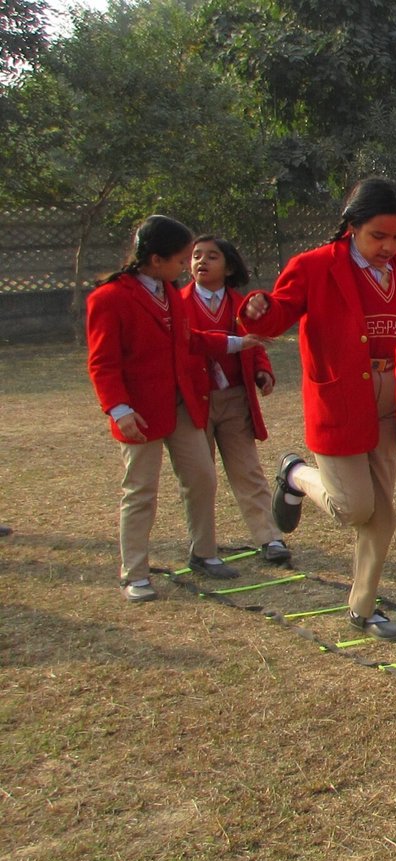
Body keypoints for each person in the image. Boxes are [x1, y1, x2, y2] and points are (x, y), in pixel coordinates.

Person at [240, 178, 396, 640]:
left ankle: (362, 609)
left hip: (390, 401)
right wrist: (259, 309)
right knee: (354, 508)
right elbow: (277, 316)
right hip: (340, 401)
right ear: (352, 226)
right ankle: (295, 474)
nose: (389, 247)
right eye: (378, 235)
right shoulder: (314, 266)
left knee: (383, 517)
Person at [85, 214, 248, 603]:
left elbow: (188, 340)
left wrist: (238, 343)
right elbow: (103, 362)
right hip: (139, 413)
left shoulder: (169, 292)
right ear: (156, 260)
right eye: (180, 259)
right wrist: (119, 409)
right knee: (141, 490)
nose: (187, 267)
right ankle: (135, 573)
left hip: (181, 405)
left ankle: (204, 552)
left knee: (202, 477)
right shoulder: (109, 298)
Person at [185, 236, 290, 564]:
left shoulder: (241, 304)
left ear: (229, 267)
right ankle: (203, 546)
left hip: (234, 399)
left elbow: (255, 344)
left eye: (212, 256)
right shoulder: (178, 303)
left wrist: (262, 372)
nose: (202, 261)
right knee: (200, 477)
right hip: (195, 401)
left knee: (248, 471)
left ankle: (270, 538)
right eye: (196, 256)